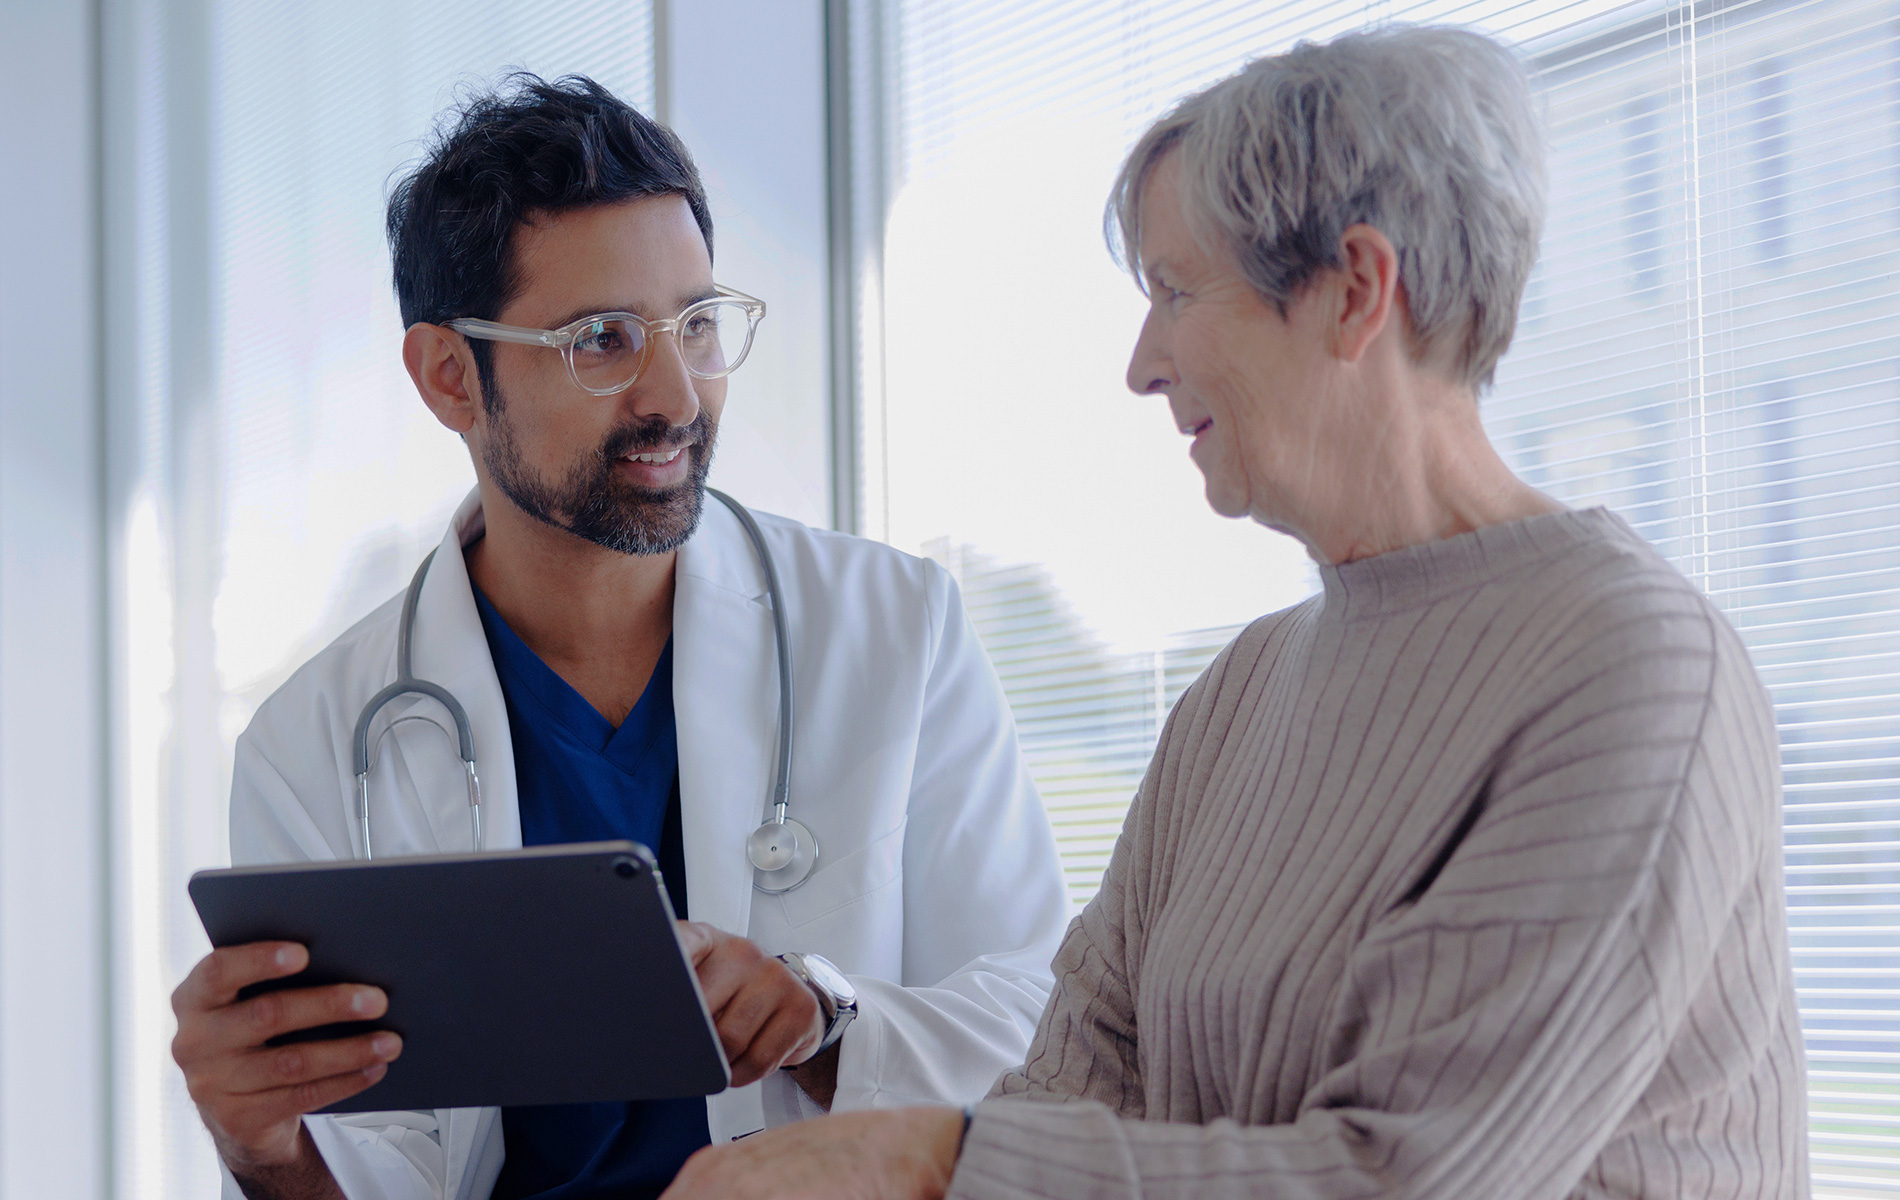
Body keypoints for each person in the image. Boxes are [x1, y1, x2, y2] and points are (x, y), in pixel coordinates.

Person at [657, 27, 1810, 1200]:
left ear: (1355, 292)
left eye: (1174, 292)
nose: (1142, 365)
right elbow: (1072, 1081)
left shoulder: (1631, 671)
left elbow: (1405, 1179)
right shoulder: (1245, 690)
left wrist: (923, 1156)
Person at [167, 75, 1070, 1200]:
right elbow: (364, 1162)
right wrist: (262, 1145)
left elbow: (1051, 1024)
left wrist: (825, 1021)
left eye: (696, 324)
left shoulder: (896, 631)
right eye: (600, 339)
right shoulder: (312, 743)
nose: (674, 393)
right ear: (451, 378)